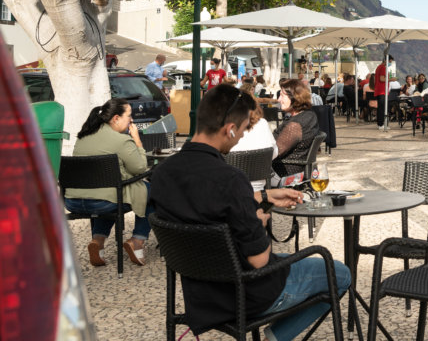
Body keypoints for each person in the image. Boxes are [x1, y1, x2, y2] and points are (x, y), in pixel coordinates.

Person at [149, 85, 350, 340]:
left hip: (200, 294)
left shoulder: (162, 173)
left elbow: (203, 205)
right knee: (340, 272)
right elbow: (259, 261)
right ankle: (276, 336)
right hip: (247, 294)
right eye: (243, 129)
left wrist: (262, 196)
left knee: (287, 258)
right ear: (230, 129)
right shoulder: (230, 179)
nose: (242, 136)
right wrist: (258, 218)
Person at [64, 98, 152, 267]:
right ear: (116, 118)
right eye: (129, 116)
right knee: (152, 192)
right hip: (104, 202)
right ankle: (137, 241)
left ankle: (98, 241)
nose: (131, 120)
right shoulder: (121, 140)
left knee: (110, 193)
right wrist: (137, 140)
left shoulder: (83, 138)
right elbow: (140, 168)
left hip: (73, 201)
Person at [271, 79, 320, 176]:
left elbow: (274, 153)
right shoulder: (309, 115)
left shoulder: (295, 126)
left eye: (282, 95)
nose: (279, 99)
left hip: (286, 173)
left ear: (295, 97)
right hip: (300, 170)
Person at [231, 102, 279, 190]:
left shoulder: (227, 127)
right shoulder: (263, 123)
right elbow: (274, 153)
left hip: (230, 187)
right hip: (259, 186)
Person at [374, 55, 394, 131]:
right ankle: (381, 124)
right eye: (390, 61)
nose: (390, 63)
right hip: (382, 90)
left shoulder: (379, 67)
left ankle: (381, 123)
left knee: (381, 108)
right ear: (386, 60)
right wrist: (391, 79)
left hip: (380, 90)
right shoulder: (383, 67)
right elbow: (382, 79)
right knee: (382, 108)